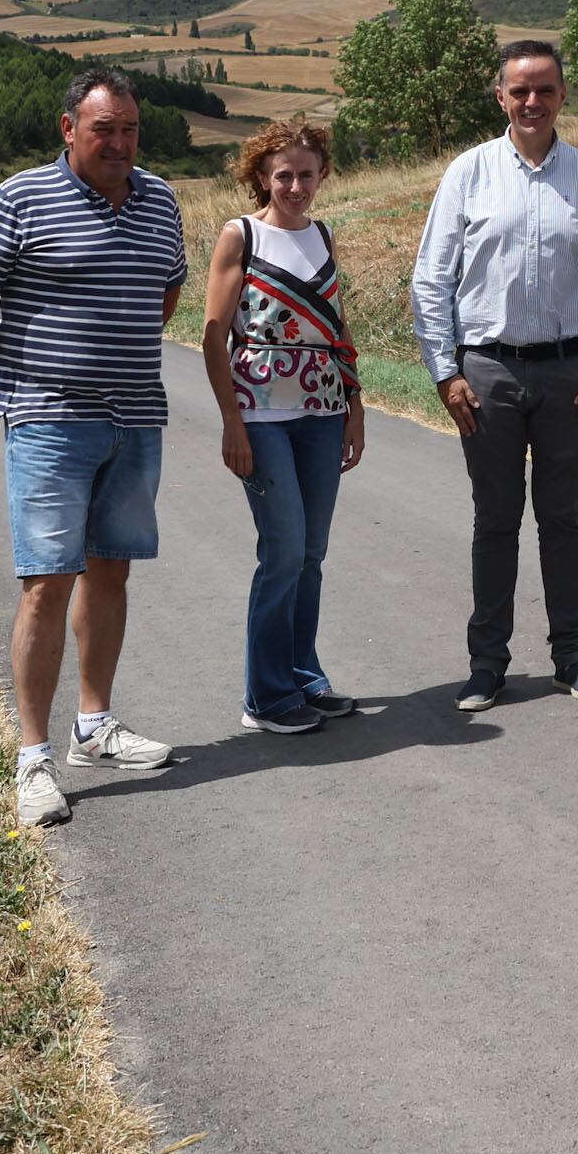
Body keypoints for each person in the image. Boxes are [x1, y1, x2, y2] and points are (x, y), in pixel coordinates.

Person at [0, 68, 191, 828]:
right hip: (48, 420)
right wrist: (20, 381)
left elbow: (165, 291)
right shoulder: (17, 199)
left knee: (110, 571)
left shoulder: (160, 199)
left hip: (134, 416)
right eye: (102, 129)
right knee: (47, 582)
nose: (118, 142)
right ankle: (32, 759)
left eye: (128, 129)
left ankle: (95, 726)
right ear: (67, 129)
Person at [410, 38, 578, 712]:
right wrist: (445, 372)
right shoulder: (468, 174)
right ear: (501, 95)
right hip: (487, 372)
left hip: (573, 372)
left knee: (563, 518)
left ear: (564, 94)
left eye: (545, 88)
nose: (532, 101)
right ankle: (488, 664)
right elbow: (431, 280)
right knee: (495, 519)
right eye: (520, 90)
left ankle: (573, 656)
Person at [201, 117, 368, 737]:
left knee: (312, 554)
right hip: (261, 414)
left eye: (307, 174)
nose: (296, 186)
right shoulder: (239, 235)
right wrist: (230, 422)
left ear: (323, 174)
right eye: (283, 176)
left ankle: (303, 676)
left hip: (322, 411)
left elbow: (338, 328)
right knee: (284, 552)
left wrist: (354, 405)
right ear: (261, 178)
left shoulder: (322, 235)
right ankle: (265, 699)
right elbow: (214, 335)